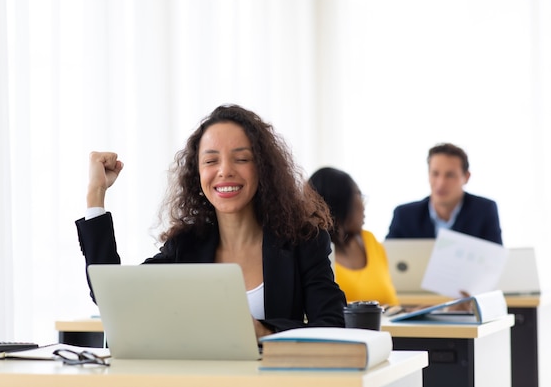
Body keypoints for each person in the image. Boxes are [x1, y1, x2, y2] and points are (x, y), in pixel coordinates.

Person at [76, 104, 347, 337]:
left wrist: (263, 332)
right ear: (197, 173)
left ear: (264, 169)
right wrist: (95, 194)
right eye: (211, 161)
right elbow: (113, 297)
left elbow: (332, 326)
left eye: (241, 158)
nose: (225, 170)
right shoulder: (186, 246)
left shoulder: (303, 240)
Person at [309, 167, 399, 307]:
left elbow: (392, 304)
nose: (363, 206)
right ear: (339, 203)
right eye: (358, 195)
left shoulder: (370, 241)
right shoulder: (311, 251)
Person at [386, 143, 502, 245]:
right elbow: (386, 262)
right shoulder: (404, 215)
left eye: (450, 175)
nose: (441, 183)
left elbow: (496, 261)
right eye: (435, 174)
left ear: (466, 177)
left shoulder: (484, 211)